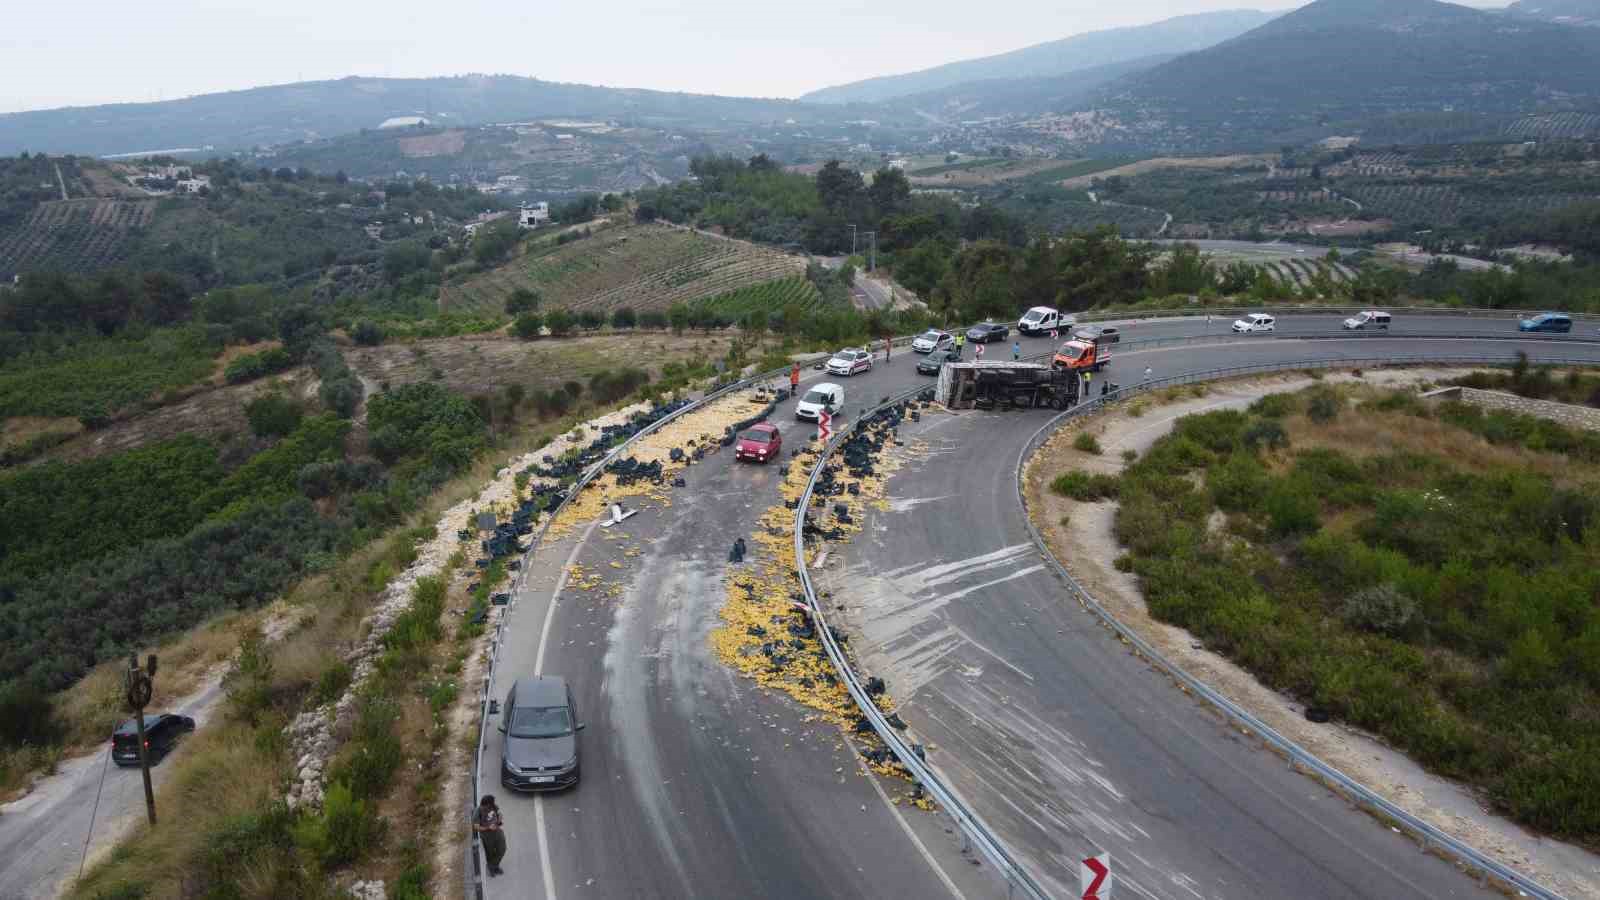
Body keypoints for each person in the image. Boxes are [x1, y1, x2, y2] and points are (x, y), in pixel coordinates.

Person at [476, 795, 506, 876]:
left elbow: (499, 813)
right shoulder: (478, 811)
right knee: (490, 853)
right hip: (487, 836)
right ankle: (493, 868)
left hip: (498, 832)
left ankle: (493, 865)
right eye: (489, 805)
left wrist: (499, 818)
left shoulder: (493, 806)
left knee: (502, 849)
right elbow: (476, 827)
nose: (491, 806)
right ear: (485, 804)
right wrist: (488, 827)